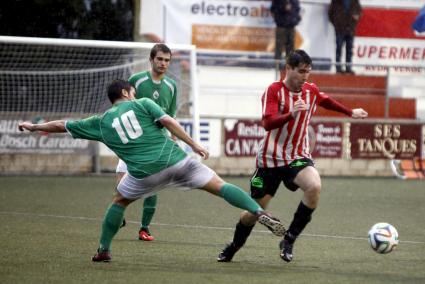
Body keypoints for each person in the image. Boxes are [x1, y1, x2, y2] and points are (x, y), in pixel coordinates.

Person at [18, 79, 286, 262]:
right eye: (132, 91)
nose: (133, 93)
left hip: (144, 174)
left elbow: (63, 125)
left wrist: (34, 127)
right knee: (219, 185)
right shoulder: (143, 103)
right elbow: (168, 121)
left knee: (120, 200)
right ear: (126, 93)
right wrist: (194, 144)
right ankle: (258, 211)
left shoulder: (99, 123)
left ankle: (103, 250)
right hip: (177, 160)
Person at [217, 50, 368, 263]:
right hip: (270, 160)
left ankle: (289, 239)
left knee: (314, 186)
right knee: (253, 211)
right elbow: (267, 122)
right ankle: (233, 247)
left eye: (308, 72)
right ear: (288, 68)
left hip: (297, 156)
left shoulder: (310, 90)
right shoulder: (274, 91)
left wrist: (349, 111)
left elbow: (325, 100)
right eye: (301, 72)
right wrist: (291, 114)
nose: (305, 77)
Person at [117, 43, 177, 242]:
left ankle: (144, 228)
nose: (163, 63)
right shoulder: (137, 80)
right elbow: (123, 106)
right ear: (151, 60)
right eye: (159, 59)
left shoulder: (171, 86)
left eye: (167, 60)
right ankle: (119, 216)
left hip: (156, 143)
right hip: (133, 141)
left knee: (154, 184)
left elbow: (171, 116)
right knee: (121, 182)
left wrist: (174, 139)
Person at [328, 0, 362, 74]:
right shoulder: (336, 1)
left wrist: (357, 16)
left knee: (349, 50)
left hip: (350, 29)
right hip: (340, 29)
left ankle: (348, 67)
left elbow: (359, 11)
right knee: (339, 49)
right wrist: (337, 24)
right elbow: (330, 14)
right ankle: (338, 68)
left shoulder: (355, 1)